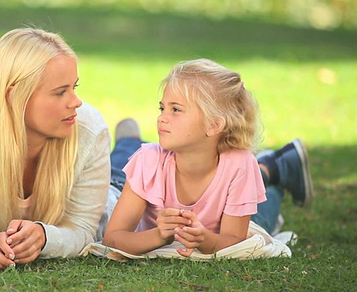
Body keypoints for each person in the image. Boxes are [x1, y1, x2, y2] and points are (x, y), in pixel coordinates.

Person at [102, 58, 314, 256]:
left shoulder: (240, 165)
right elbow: (112, 239)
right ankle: (272, 167)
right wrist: (159, 235)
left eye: (175, 109)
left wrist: (204, 239)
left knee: (260, 221)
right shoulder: (148, 161)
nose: (162, 118)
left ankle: (273, 172)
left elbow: (235, 241)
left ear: (214, 125)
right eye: (162, 107)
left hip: (224, 222)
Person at [0, 27, 120, 270]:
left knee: (128, 164)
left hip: (115, 189)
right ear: (14, 96)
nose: (76, 102)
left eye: (74, 87)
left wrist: (45, 237)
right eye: (61, 92)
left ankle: (129, 138)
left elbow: (83, 229)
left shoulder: (91, 129)